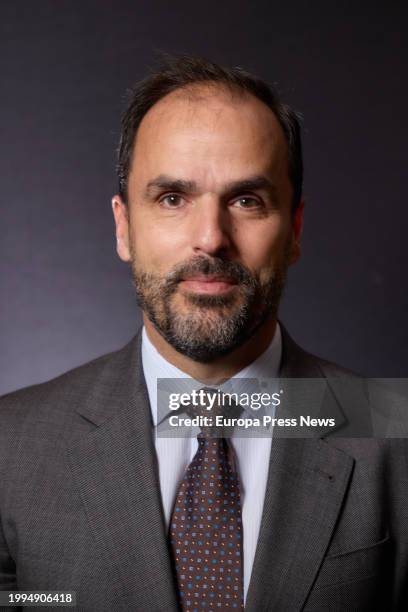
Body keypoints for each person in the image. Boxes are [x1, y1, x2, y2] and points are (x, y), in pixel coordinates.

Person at [0, 55, 407, 611]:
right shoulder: (10, 447)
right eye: (172, 198)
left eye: (247, 200)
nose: (211, 239)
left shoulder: (396, 435)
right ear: (124, 227)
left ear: (295, 230)